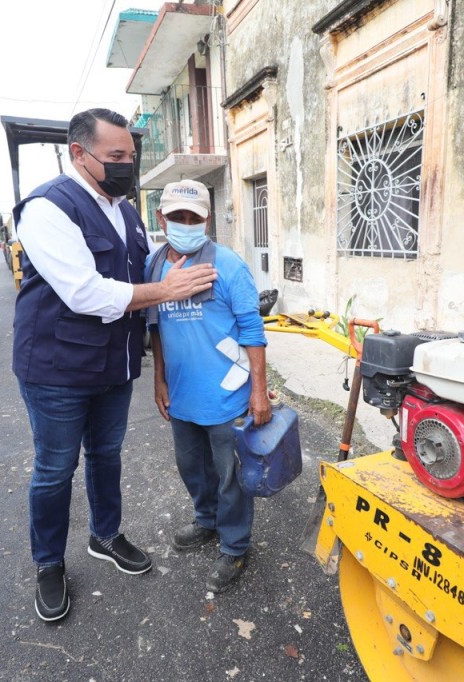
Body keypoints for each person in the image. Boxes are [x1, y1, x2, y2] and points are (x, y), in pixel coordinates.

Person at [13, 108, 217, 622]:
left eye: (131, 155)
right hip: (57, 368)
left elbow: (146, 266)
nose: (127, 164)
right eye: (116, 156)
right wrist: (165, 290)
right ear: (79, 154)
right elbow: (85, 292)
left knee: (106, 455)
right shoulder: (47, 208)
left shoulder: (125, 211)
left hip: (114, 364)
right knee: (55, 468)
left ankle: (105, 535)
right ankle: (48, 564)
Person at [147, 180, 270, 594]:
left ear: (207, 219)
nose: (185, 224)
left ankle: (235, 546)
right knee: (192, 468)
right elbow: (155, 327)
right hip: (182, 395)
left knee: (230, 475)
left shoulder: (228, 264)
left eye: (193, 217)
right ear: (161, 218)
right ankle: (207, 520)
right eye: (176, 217)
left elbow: (252, 330)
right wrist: (159, 378)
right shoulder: (153, 266)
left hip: (226, 395)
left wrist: (258, 391)